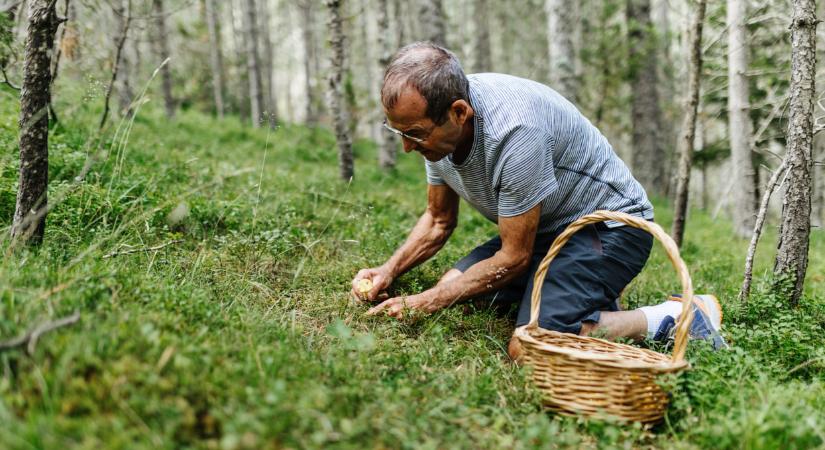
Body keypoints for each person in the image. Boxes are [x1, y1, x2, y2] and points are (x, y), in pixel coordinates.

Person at [351, 42, 725, 361]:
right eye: (399, 132)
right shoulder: (436, 127)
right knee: (454, 285)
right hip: (544, 229)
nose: (407, 146)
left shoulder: (515, 132)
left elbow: (513, 257)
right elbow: (438, 220)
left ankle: (675, 316)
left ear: (459, 112)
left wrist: (425, 301)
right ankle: (577, 297)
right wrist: (389, 270)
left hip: (609, 229)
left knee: (528, 347)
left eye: (415, 134)